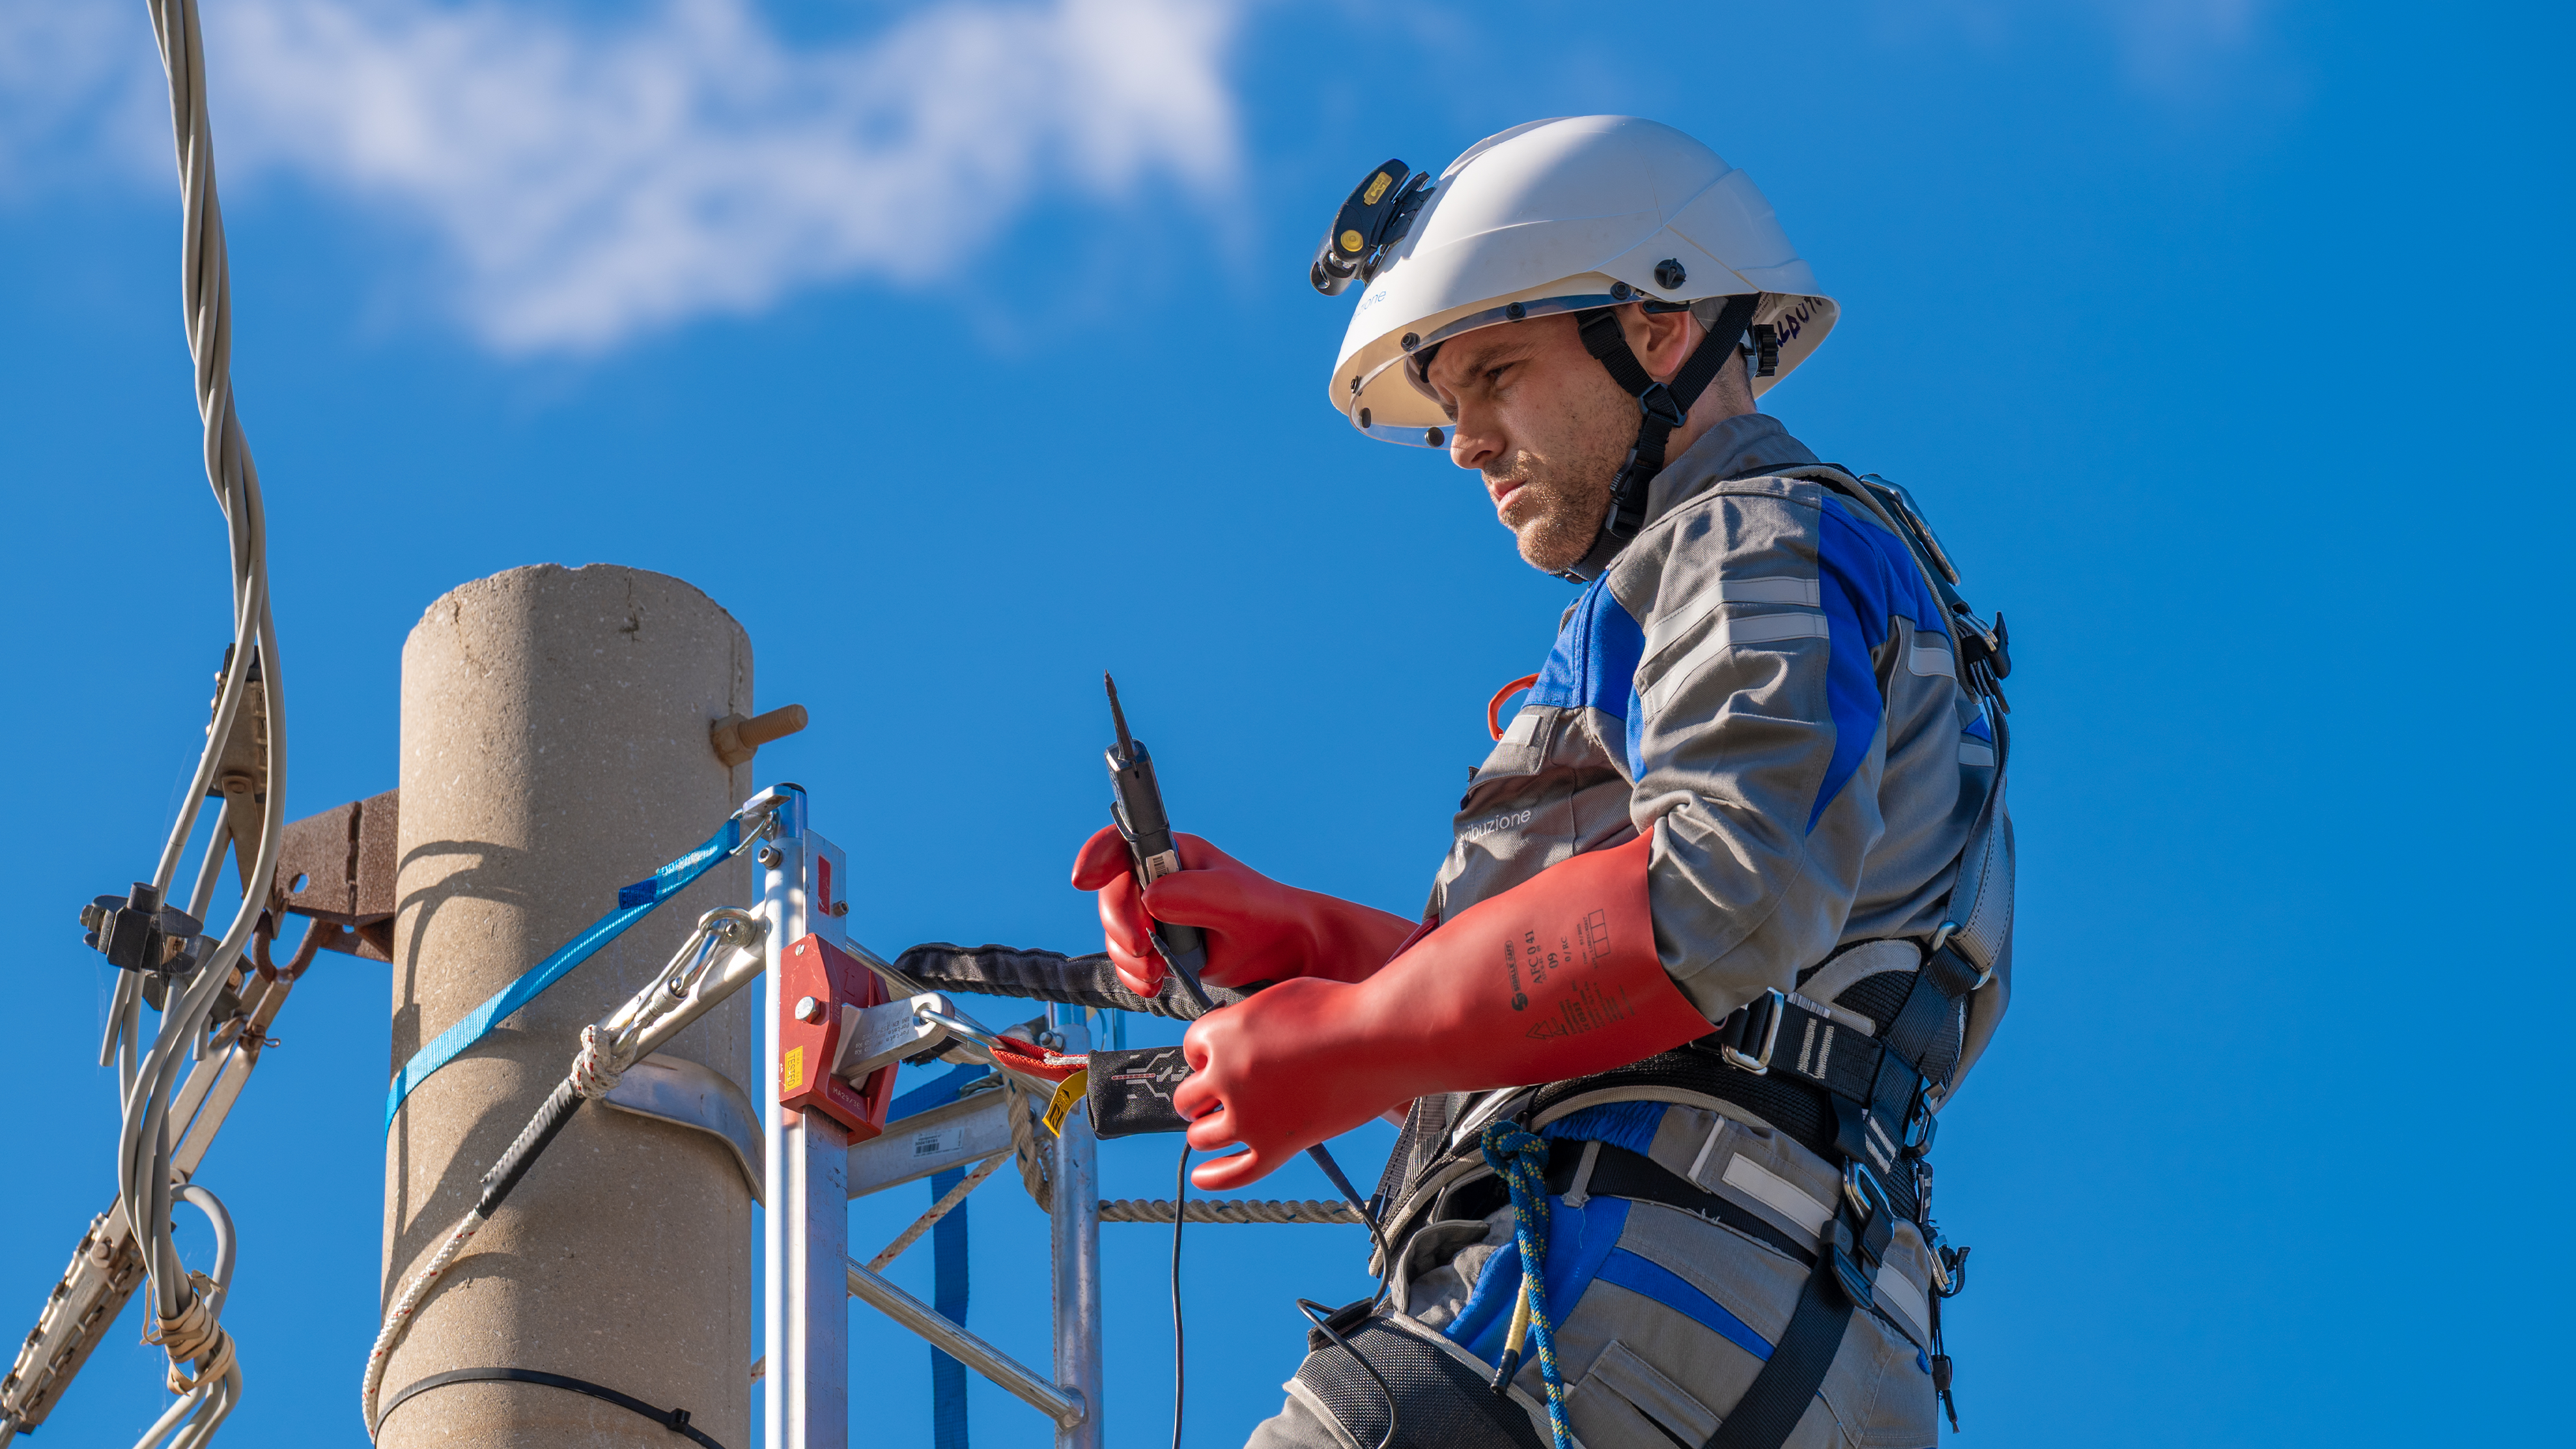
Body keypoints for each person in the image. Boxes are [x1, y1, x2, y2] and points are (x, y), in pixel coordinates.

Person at [1071, 115, 2013, 1449]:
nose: (1465, 443)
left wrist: (1351, 1039)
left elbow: (1717, 895)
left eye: (1497, 373)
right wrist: (1325, 955)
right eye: (1450, 406)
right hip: (1792, 1337)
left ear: (1659, 328)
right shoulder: (1775, 573)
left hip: (1618, 1298)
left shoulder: (1748, 537)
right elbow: (1641, 998)